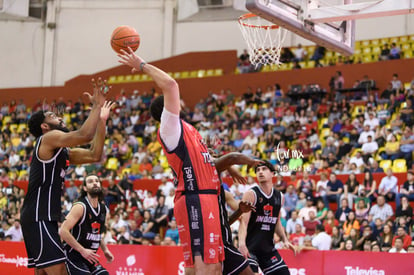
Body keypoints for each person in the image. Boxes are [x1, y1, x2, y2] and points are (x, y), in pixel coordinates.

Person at [118, 48, 223, 274]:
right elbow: (171, 85)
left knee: (211, 267)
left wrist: (225, 165)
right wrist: (141, 65)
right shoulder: (169, 127)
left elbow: (204, 162)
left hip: (204, 197)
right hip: (195, 198)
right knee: (206, 266)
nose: (180, 101)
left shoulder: (189, 129)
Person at [20, 80, 111, 274]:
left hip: (46, 217)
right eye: (53, 116)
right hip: (38, 215)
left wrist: (102, 121)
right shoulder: (48, 138)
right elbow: (85, 135)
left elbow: (95, 154)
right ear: (45, 126)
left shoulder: (62, 151)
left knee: (44, 272)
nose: (60, 118)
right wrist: (95, 106)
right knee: (59, 271)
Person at [238, 161, 296, 275]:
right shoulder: (251, 194)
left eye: (264, 169)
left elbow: (277, 221)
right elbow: (243, 222)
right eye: (258, 170)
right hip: (250, 248)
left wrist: (285, 239)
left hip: (268, 250)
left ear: (273, 173)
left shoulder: (280, 196)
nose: (260, 172)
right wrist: (241, 244)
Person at [59, 175, 114, 274]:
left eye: (97, 181)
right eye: (90, 181)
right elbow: (63, 231)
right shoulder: (80, 206)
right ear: (85, 188)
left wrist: (105, 250)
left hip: (90, 258)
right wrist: (82, 250)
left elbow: (97, 233)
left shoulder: (103, 209)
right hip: (73, 255)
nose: (95, 183)